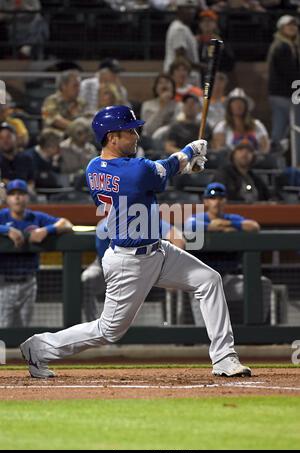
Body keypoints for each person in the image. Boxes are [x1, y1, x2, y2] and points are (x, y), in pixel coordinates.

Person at [20, 104, 251, 379]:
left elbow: (151, 177)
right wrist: (190, 152)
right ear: (111, 137)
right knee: (109, 330)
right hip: (129, 260)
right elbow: (159, 170)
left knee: (209, 280)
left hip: (157, 250)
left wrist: (187, 166)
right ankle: (39, 347)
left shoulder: (94, 167)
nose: (136, 135)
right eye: (129, 131)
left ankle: (224, 357)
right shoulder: (135, 169)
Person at [185, 182, 271, 325]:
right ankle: (202, 338)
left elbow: (254, 226)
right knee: (198, 292)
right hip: (203, 280)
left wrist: (226, 224)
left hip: (227, 279)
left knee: (263, 283)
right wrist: (213, 227)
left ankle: (258, 331)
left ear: (225, 200)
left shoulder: (232, 218)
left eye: (220, 198)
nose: (217, 202)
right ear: (206, 201)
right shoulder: (198, 218)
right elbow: (189, 225)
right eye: (213, 198)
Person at [0, 179, 73, 327]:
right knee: (3, 329)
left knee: (24, 330)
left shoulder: (36, 217)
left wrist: (46, 230)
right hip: (4, 282)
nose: (17, 198)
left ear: (27, 196)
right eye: (13, 194)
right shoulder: (3, 216)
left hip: (29, 281)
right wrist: (6, 230)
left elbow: (67, 224)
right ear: (7, 198)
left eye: (21, 193)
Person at [82, 219, 185, 322]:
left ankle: (175, 332)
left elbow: (178, 239)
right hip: (108, 269)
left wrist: (171, 270)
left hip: (144, 266)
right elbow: (112, 267)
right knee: (88, 278)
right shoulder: (106, 228)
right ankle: (93, 328)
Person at [267, 15, 300, 142]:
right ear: (281, 28)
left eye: (294, 25)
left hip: (285, 94)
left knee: (284, 130)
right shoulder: (282, 47)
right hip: (284, 95)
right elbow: (291, 73)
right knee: (289, 129)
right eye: (288, 25)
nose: (292, 27)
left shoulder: (291, 46)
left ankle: (276, 156)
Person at [212, 88, 270, 154]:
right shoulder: (222, 126)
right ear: (229, 107)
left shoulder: (257, 125)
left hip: (255, 161)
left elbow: (265, 147)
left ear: (246, 107)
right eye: (235, 103)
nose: (238, 105)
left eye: (241, 103)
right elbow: (219, 149)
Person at [164, 0, 200, 84]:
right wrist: (203, 67)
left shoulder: (183, 27)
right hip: (180, 78)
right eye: (187, 9)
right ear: (178, 10)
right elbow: (180, 58)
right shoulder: (179, 29)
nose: (191, 12)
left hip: (184, 77)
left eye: (193, 9)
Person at [42, 70, 87, 134]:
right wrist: (77, 128)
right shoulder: (50, 101)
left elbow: (88, 119)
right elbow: (53, 119)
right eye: (75, 86)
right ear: (64, 86)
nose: (78, 89)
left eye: (79, 86)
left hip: (77, 140)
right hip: (56, 139)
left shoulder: (81, 102)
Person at [141, 73, 179, 138]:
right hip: (151, 141)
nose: (164, 84)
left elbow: (178, 129)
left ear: (173, 87)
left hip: (171, 140)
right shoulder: (147, 105)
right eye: (160, 82)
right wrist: (162, 106)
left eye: (167, 82)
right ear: (155, 88)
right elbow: (148, 130)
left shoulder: (179, 105)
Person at [59, 117, 97, 182]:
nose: (83, 135)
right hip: (66, 183)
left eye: (85, 131)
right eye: (79, 133)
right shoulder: (62, 147)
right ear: (72, 132)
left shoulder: (91, 149)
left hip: (87, 183)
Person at [0, 123, 35, 192]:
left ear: (16, 137)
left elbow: (31, 180)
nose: (5, 141)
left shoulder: (26, 158)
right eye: (1, 138)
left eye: (8, 137)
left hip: (24, 193)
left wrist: (28, 190)